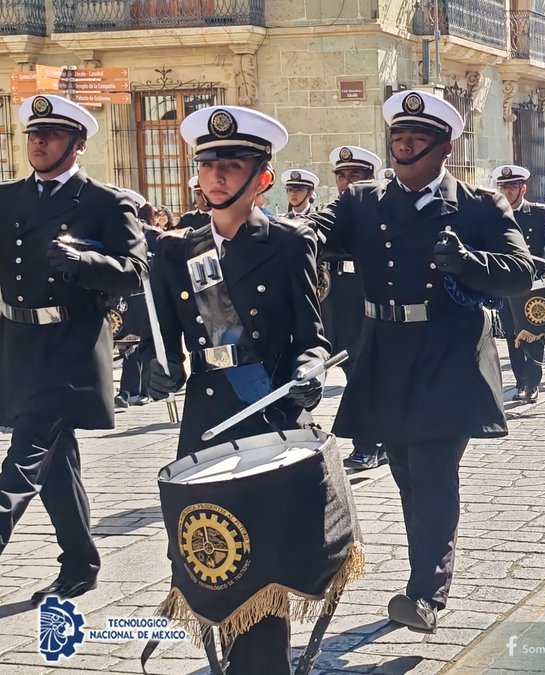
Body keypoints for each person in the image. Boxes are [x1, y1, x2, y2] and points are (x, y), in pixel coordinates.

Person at [302, 89, 534, 633]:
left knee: (431, 470)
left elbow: (520, 271)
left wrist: (469, 261)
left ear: (444, 146)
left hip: (447, 353)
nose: (404, 147)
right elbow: (314, 234)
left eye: (417, 139)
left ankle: (426, 593)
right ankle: (425, 571)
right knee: (406, 470)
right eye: (398, 138)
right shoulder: (362, 200)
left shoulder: (479, 205)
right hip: (384, 349)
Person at [146, 105, 330, 675]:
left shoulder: (289, 244)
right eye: (208, 165)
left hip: (266, 415)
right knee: (212, 551)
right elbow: (167, 343)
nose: (217, 175)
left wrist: (311, 371)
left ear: (262, 179)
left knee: (262, 556)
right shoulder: (177, 253)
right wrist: (159, 370)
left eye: (233, 164)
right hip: (204, 419)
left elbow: (313, 339)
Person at [0, 94, 149, 604]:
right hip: (17, 342)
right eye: (33, 135)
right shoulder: (6, 198)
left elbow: (136, 273)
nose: (38, 143)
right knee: (55, 462)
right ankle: (81, 560)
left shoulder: (106, 203)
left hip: (70, 345)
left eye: (52, 135)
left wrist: (83, 262)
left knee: (23, 456)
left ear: (78, 144)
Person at [326, 146, 386, 469]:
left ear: (370, 178)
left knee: (364, 378)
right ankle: (381, 441)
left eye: (356, 175)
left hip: (370, 307)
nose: (347, 182)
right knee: (356, 377)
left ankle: (368, 444)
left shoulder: (380, 213)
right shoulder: (333, 212)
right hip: (340, 310)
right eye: (342, 175)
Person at [492, 164, 545, 402]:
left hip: (534, 285)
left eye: (512, 186)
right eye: (503, 186)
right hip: (506, 284)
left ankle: (533, 383)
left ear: (523, 188)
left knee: (533, 333)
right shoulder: (494, 214)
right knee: (513, 335)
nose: (507, 191)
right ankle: (520, 381)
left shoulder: (540, 213)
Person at [114, 189, 164, 410]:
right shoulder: (112, 233)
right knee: (125, 345)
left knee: (136, 344)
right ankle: (132, 389)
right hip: (119, 296)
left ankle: (134, 390)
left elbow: (162, 262)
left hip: (143, 296)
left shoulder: (148, 234)